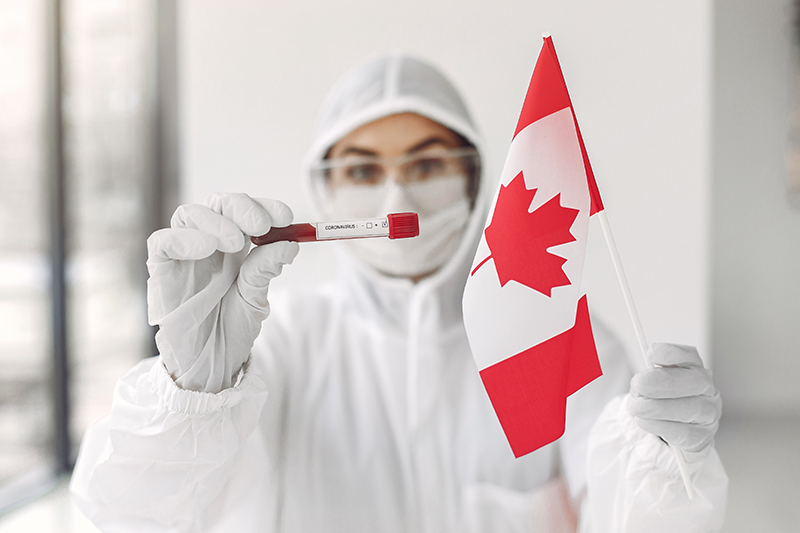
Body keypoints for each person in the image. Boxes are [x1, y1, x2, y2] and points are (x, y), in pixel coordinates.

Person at [70, 52, 727, 532]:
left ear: (473, 178)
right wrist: (193, 393)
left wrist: (666, 460)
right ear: (324, 188)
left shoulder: (552, 335)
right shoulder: (281, 348)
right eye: (361, 168)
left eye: (428, 162)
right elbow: (125, 517)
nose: (396, 195)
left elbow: (637, 516)